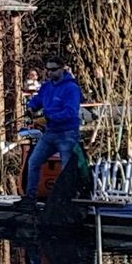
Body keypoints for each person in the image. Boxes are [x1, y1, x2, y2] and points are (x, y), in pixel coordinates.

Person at [21, 60, 83, 203]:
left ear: (62, 69)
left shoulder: (71, 88)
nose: (49, 73)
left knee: (66, 168)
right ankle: (30, 197)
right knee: (34, 162)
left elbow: (70, 112)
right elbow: (37, 100)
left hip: (67, 134)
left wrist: (49, 118)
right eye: (47, 69)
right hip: (50, 134)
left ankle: (67, 199)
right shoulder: (47, 86)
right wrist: (31, 108)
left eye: (53, 69)